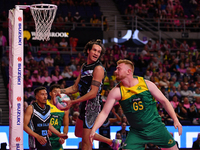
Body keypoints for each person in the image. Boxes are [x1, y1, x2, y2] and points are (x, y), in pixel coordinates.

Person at [90, 59, 182, 150]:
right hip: (137, 132)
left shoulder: (147, 84)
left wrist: (175, 119)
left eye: (119, 69)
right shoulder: (116, 91)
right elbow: (104, 113)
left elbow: (164, 101)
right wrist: (94, 129)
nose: (115, 71)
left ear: (128, 71)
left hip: (156, 128)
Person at [59, 39, 121, 150]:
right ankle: (110, 141)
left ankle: (109, 142)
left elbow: (93, 93)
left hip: (93, 107)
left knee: (86, 144)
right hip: (84, 105)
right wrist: (60, 91)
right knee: (79, 133)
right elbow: (75, 87)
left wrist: (73, 102)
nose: (96, 53)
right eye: (94, 50)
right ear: (88, 50)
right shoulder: (84, 66)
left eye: (99, 52)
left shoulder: (98, 69)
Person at [47, 84, 69, 150]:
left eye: (59, 92)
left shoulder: (64, 107)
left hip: (57, 139)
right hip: (45, 138)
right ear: (50, 93)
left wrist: (63, 136)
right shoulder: (45, 105)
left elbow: (66, 125)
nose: (57, 94)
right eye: (55, 92)